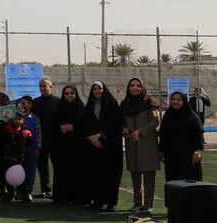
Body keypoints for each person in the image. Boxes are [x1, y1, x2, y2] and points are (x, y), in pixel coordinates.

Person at [120, 78, 160, 213]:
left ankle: (148, 205)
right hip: (131, 143)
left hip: (147, 143)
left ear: (142, 87)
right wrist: (124, 129)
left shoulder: (150, 102)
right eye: (132, 85)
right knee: (135, 173)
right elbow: (120, 121)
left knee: (149, 174)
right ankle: (137, 204)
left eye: (138, 85)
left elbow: (155, 121)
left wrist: (140, 132)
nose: (135, 88)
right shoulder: (124, 104)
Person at [81, 82, 123, 211]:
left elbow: (115, 125)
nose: (97, 91)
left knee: (110, 173)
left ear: (104, 90)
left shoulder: (112, 105)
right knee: (95, 173)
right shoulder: (90, 105)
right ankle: (97, 200)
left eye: (99, 88)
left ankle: (111, 202)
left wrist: (100, 135)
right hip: (94, 146)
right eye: (94, 89)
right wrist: (91, 138)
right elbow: (85, 124)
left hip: (110, 146)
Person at [159, 91, 204, 182]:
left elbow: (198, 136)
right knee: (173, 182)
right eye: (173, 99)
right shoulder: (167, 115)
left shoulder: (192, 117)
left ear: (184, 101)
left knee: (190, 182)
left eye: (179, 100)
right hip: (171, 157)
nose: (175, 102)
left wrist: (197, 151)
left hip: (189, 157)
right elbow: (163, 134)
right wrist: (162, 151)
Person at [54, 85, 86, 205]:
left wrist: (74, 127)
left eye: (72, 93)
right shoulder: (60, 108)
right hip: (63, 146)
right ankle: (63, 197)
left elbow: (86, 124)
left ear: (76, 94)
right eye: (66, 93)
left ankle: (78, 197)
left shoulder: (81, 107)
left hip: (78, 146)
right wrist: (61, 128)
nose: (69, 96)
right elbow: (54, 124)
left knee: (77, 171)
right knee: (63, 170)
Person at [31, 78, 58, 198]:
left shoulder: (58, 101)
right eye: (40, 86)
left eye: (44, 86)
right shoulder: (35, 102)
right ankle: (45, 190)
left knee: (57, 166)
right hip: (40, 140)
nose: (42, 88)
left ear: (51, 87)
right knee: (42, 166)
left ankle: (58, 190)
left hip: (55, 140)